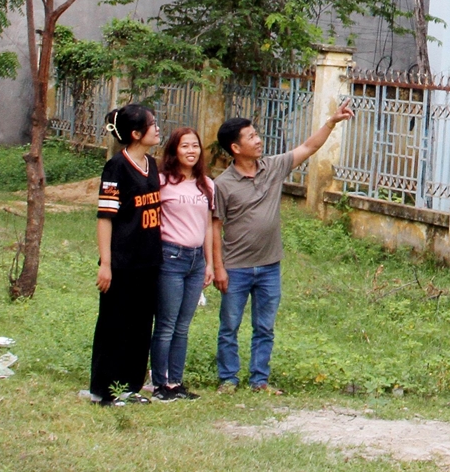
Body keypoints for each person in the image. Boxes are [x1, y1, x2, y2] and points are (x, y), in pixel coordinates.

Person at [212, 98, 353, 393]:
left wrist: (331, 121)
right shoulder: (223, 184)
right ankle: (228, 378)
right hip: (236, 268)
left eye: (256, 134)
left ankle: (259, 380)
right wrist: (218, 268)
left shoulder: (273, 167)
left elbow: (309, 148)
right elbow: (215, 228)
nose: (259, 140)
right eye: (251, 137)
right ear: (235, 148)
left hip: (268, 266)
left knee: (264, 327)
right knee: (229, 327)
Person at [90, 104, 162, 405]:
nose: (158, 128)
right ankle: (104, 391)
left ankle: (130, 387)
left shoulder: (152, 164)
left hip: (149, 261)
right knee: (114, 325)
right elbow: (105, 218)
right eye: (152, 124)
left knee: (141, 325)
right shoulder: (116, 167)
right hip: (122, 262)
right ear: (135, 133)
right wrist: (106, 264)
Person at [150, 128, 215, 401]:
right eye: (185, 146)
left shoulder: (207, 184)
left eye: (195, 146)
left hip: (195, 260)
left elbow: (209, 227)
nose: (191, 151)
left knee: (183, 326)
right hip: (170, 257)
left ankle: (176, 382)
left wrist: (209, 263)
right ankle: (159, 383)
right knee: (166, 323)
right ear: (174, 150)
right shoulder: (162, 182)